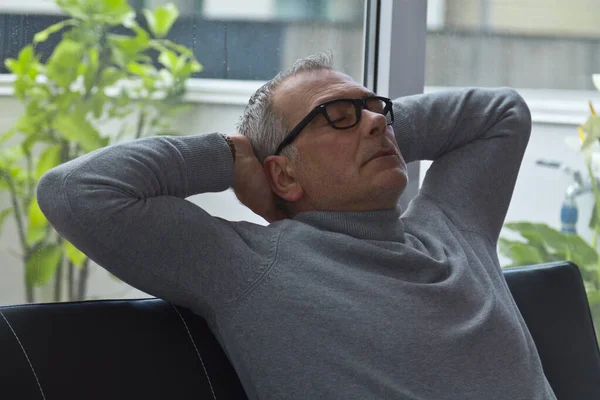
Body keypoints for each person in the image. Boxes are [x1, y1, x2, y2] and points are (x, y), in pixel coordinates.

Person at [37, 52, 557, 400]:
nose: (379, 121)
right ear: (282, 174)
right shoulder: (247, 268)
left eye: (377, 109)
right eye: (336, 115)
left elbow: (500, 113)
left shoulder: (452, 228)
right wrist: (230, 158)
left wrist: (360, 122)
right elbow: (75, 190)